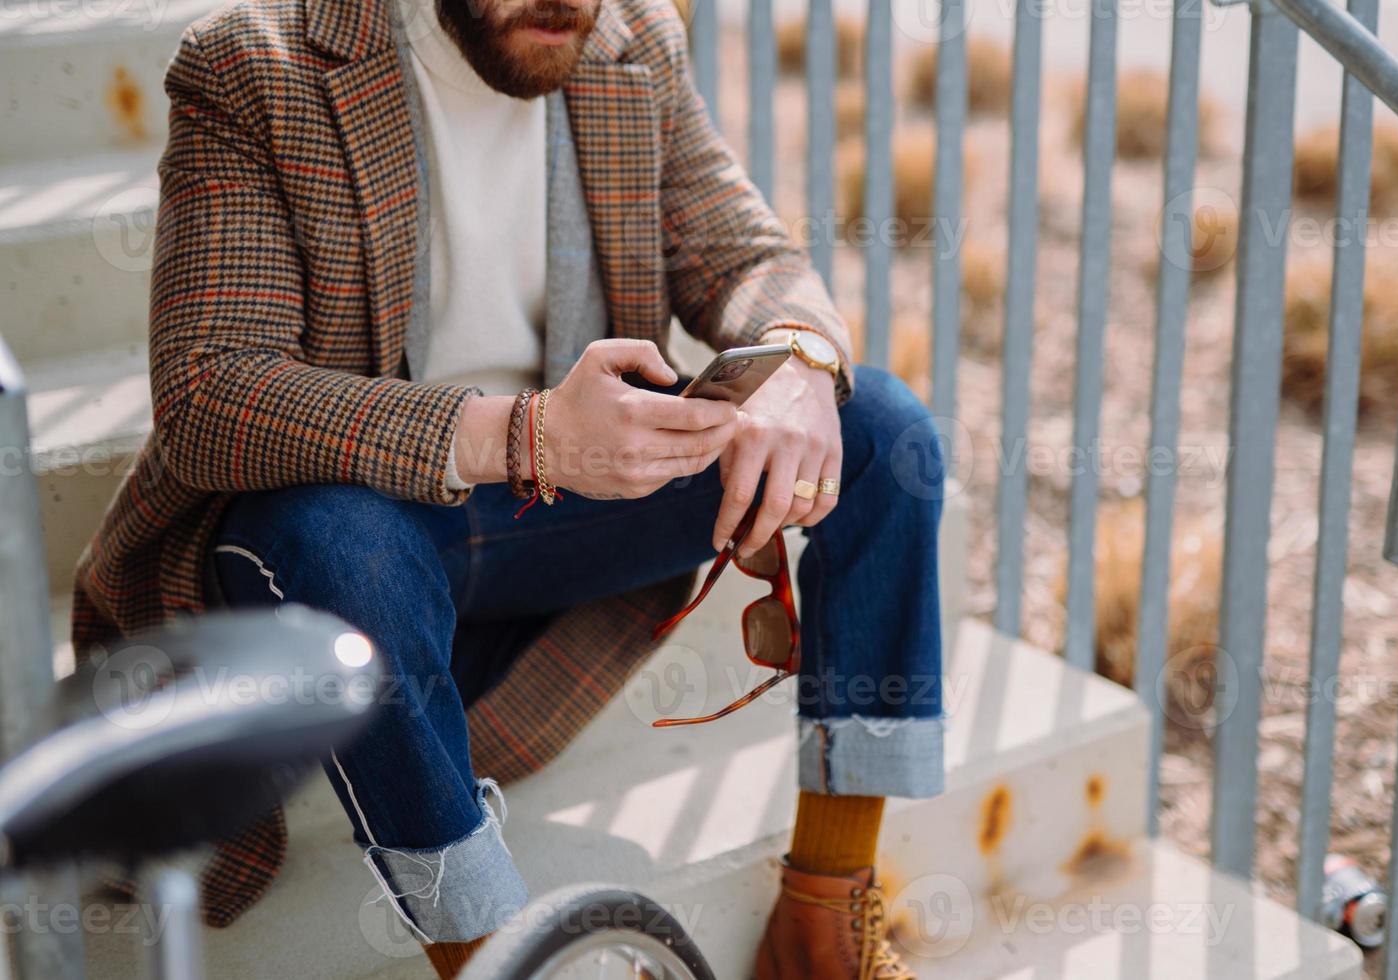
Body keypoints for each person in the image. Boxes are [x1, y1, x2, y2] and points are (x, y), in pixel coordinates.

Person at [72, 0, 945, 976]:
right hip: (346, 544)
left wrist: (793, 354)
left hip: (553, 516)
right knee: (335, 537)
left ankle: (823, 919)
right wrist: (521, 433)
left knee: (878, 429)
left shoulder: (626, 36)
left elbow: (742, 252)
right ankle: (492, 956)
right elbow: (209, 394)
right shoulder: (255, 61)